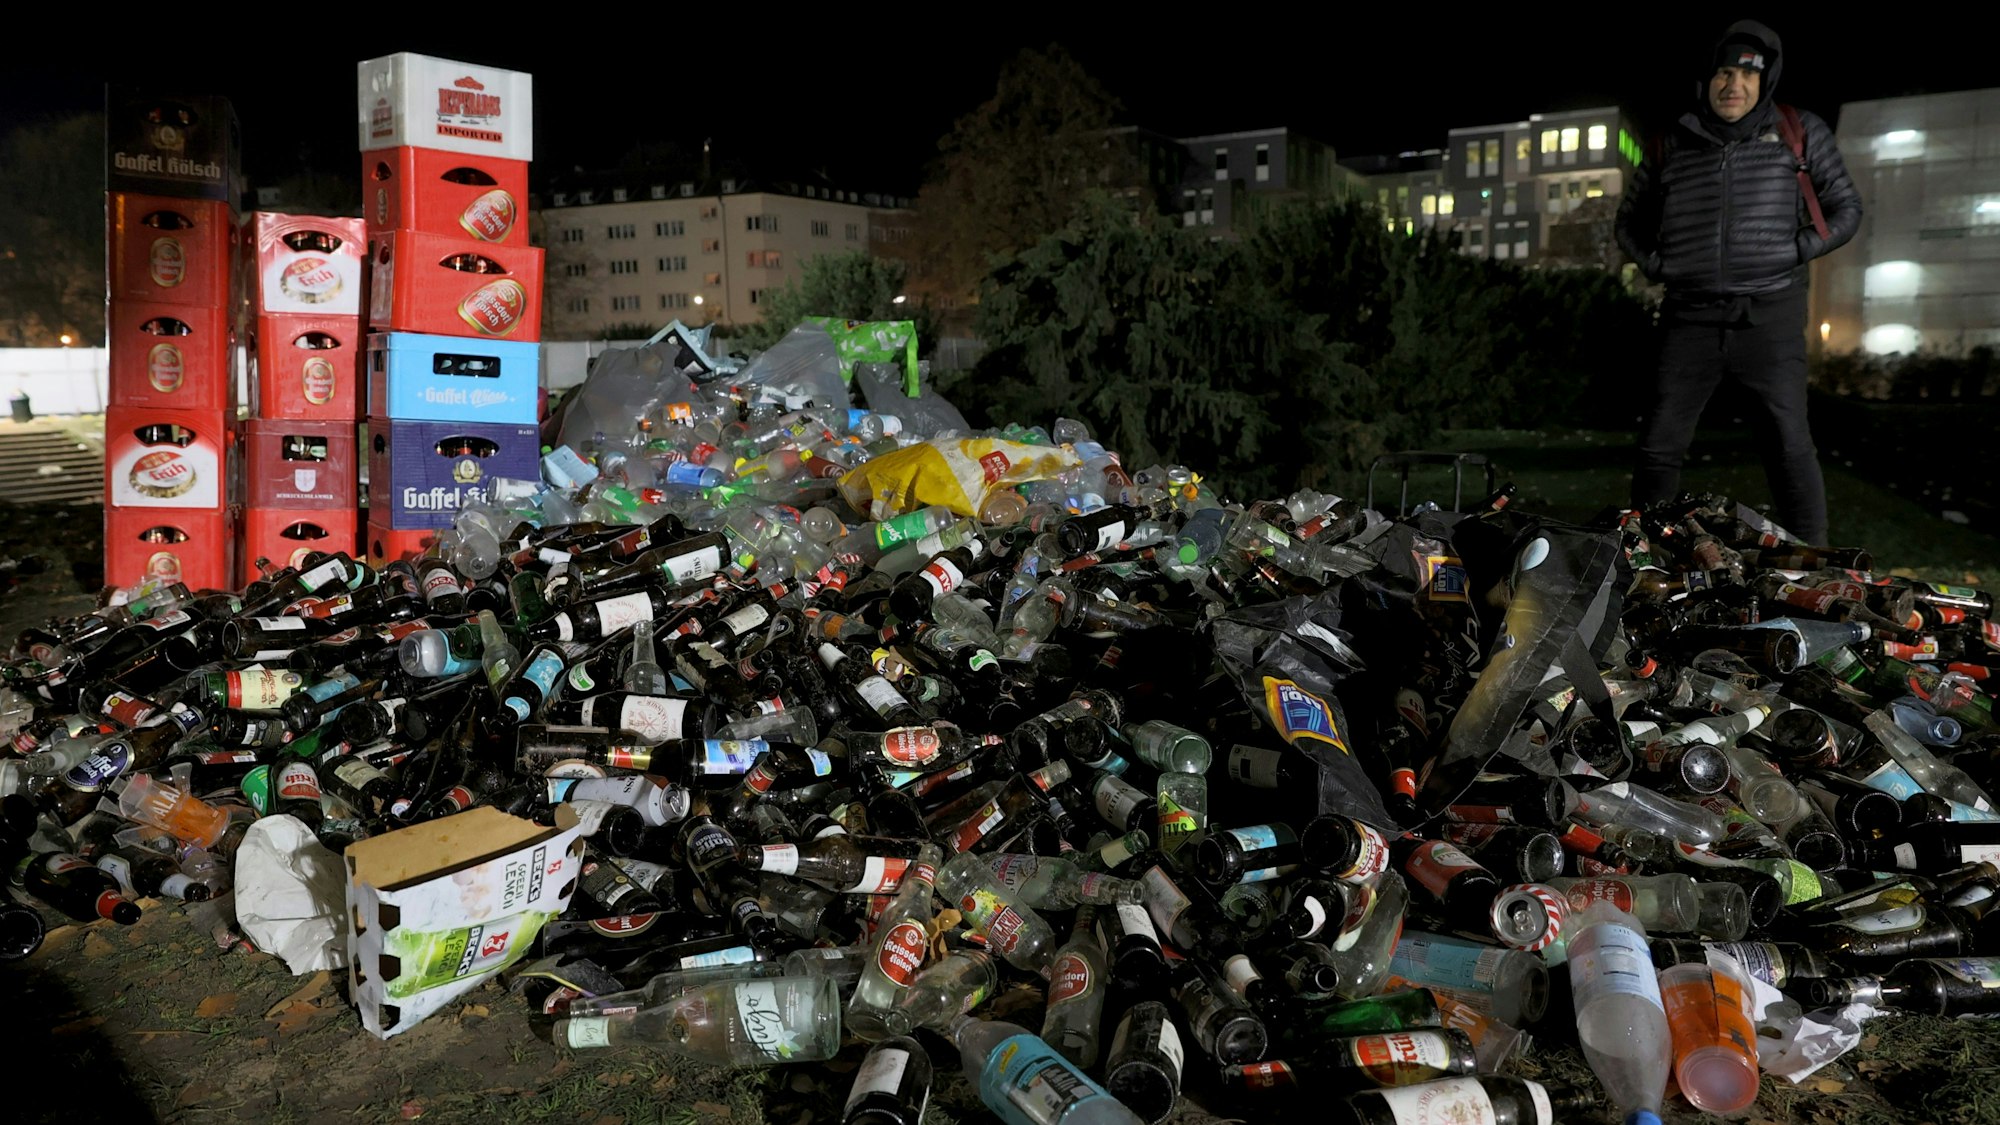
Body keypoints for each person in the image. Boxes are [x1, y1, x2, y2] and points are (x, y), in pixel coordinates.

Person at [1616, 19, 1861, 546]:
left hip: (1769, 313)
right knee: (1659, 445)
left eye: (1747, 75)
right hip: (1689, 316)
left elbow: (1846, 209)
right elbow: (1628, 223)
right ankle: (1645, 554)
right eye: (1724, 73)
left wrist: (1795, 250)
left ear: (1765, 80)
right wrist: (1659, 266)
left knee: (1789, 444)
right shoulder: (1671, 142)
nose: (1734, 85)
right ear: (1706, 80)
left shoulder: (1799, 131)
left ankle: (1815, 563)